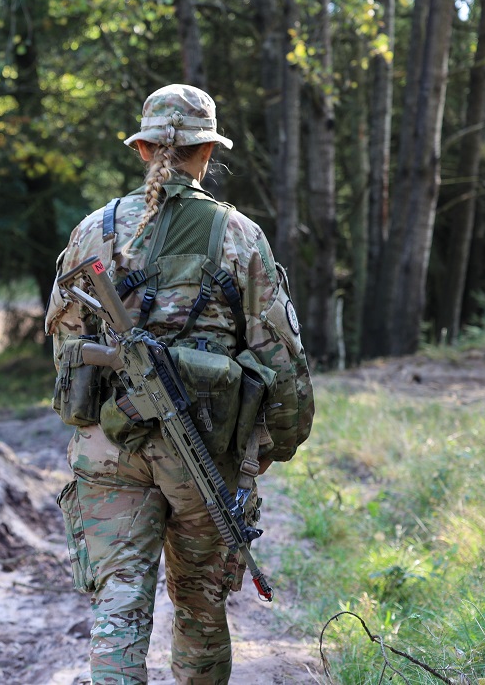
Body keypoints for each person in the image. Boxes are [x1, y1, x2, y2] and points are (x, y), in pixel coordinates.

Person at [44, 85, 315, 684]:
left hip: (109, 449)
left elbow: (65, 349)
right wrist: (277, 446)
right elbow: (280, 360)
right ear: (207, 154)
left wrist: (101, 414)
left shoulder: (94, 231)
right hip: (203, 453)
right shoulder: (240, 236)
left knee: (119, 602)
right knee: (198, 604)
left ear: (143, 149)